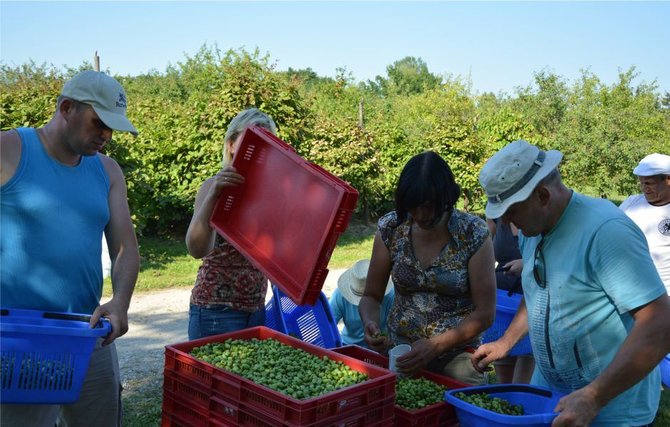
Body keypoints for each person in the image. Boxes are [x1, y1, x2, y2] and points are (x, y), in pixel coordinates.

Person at [472, 140, 670, 426]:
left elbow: (660, 323)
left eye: (511, 211)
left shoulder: (606, 231)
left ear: (542, 195)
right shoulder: (534, 229)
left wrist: (594, 396)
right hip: (553, 398)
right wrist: (506, 341)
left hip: (611, 410)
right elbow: (537, 288)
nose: (505, 222)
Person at [1, 70, 140, 426]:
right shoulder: (8, 152)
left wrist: (120, 303)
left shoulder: (108, 172)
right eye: (99, 123)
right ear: (66, 108)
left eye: (112, 127)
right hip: (18, 339)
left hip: (87, 333)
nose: (106, 136)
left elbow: (125, 246)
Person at [358, 151, 496, 385]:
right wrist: (371, 323)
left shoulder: (473, 234)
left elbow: (485, 313)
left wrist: (435, 346)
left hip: (456, 357)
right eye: (413, 207)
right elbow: (371, 296)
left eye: (429, 206)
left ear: (446, 198)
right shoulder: (391, 228)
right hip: (400, 351)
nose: (421, 215)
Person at [185, 108, 277, 340]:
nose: (259, 150)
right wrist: (215, 194)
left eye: (267, 143)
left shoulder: (270, 193)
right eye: (251, 141)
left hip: (256, 310)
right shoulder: (212, 187)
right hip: (215, 312)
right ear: (231, 145)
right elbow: (196, 249)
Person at [486, 217, 535, 384]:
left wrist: (526, 265)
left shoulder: (540, 221)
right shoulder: (498, 216)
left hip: (529, 304)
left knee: (521, 382)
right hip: (501, 304)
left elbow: (553, 260)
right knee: (503, 382)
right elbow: (485, 251)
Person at [619, 153, 670, 295]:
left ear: (668, 180)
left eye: (649, 183)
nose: (644, 188)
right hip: (632, 289)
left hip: (665, 292)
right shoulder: (631, 203)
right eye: (641, 183)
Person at [329, 259, 395, 349]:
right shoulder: (340, 295)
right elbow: (328, 324)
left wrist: (386, 339)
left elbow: (393, 328)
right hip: (349, 346)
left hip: (378, 346)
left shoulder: (390, 296)